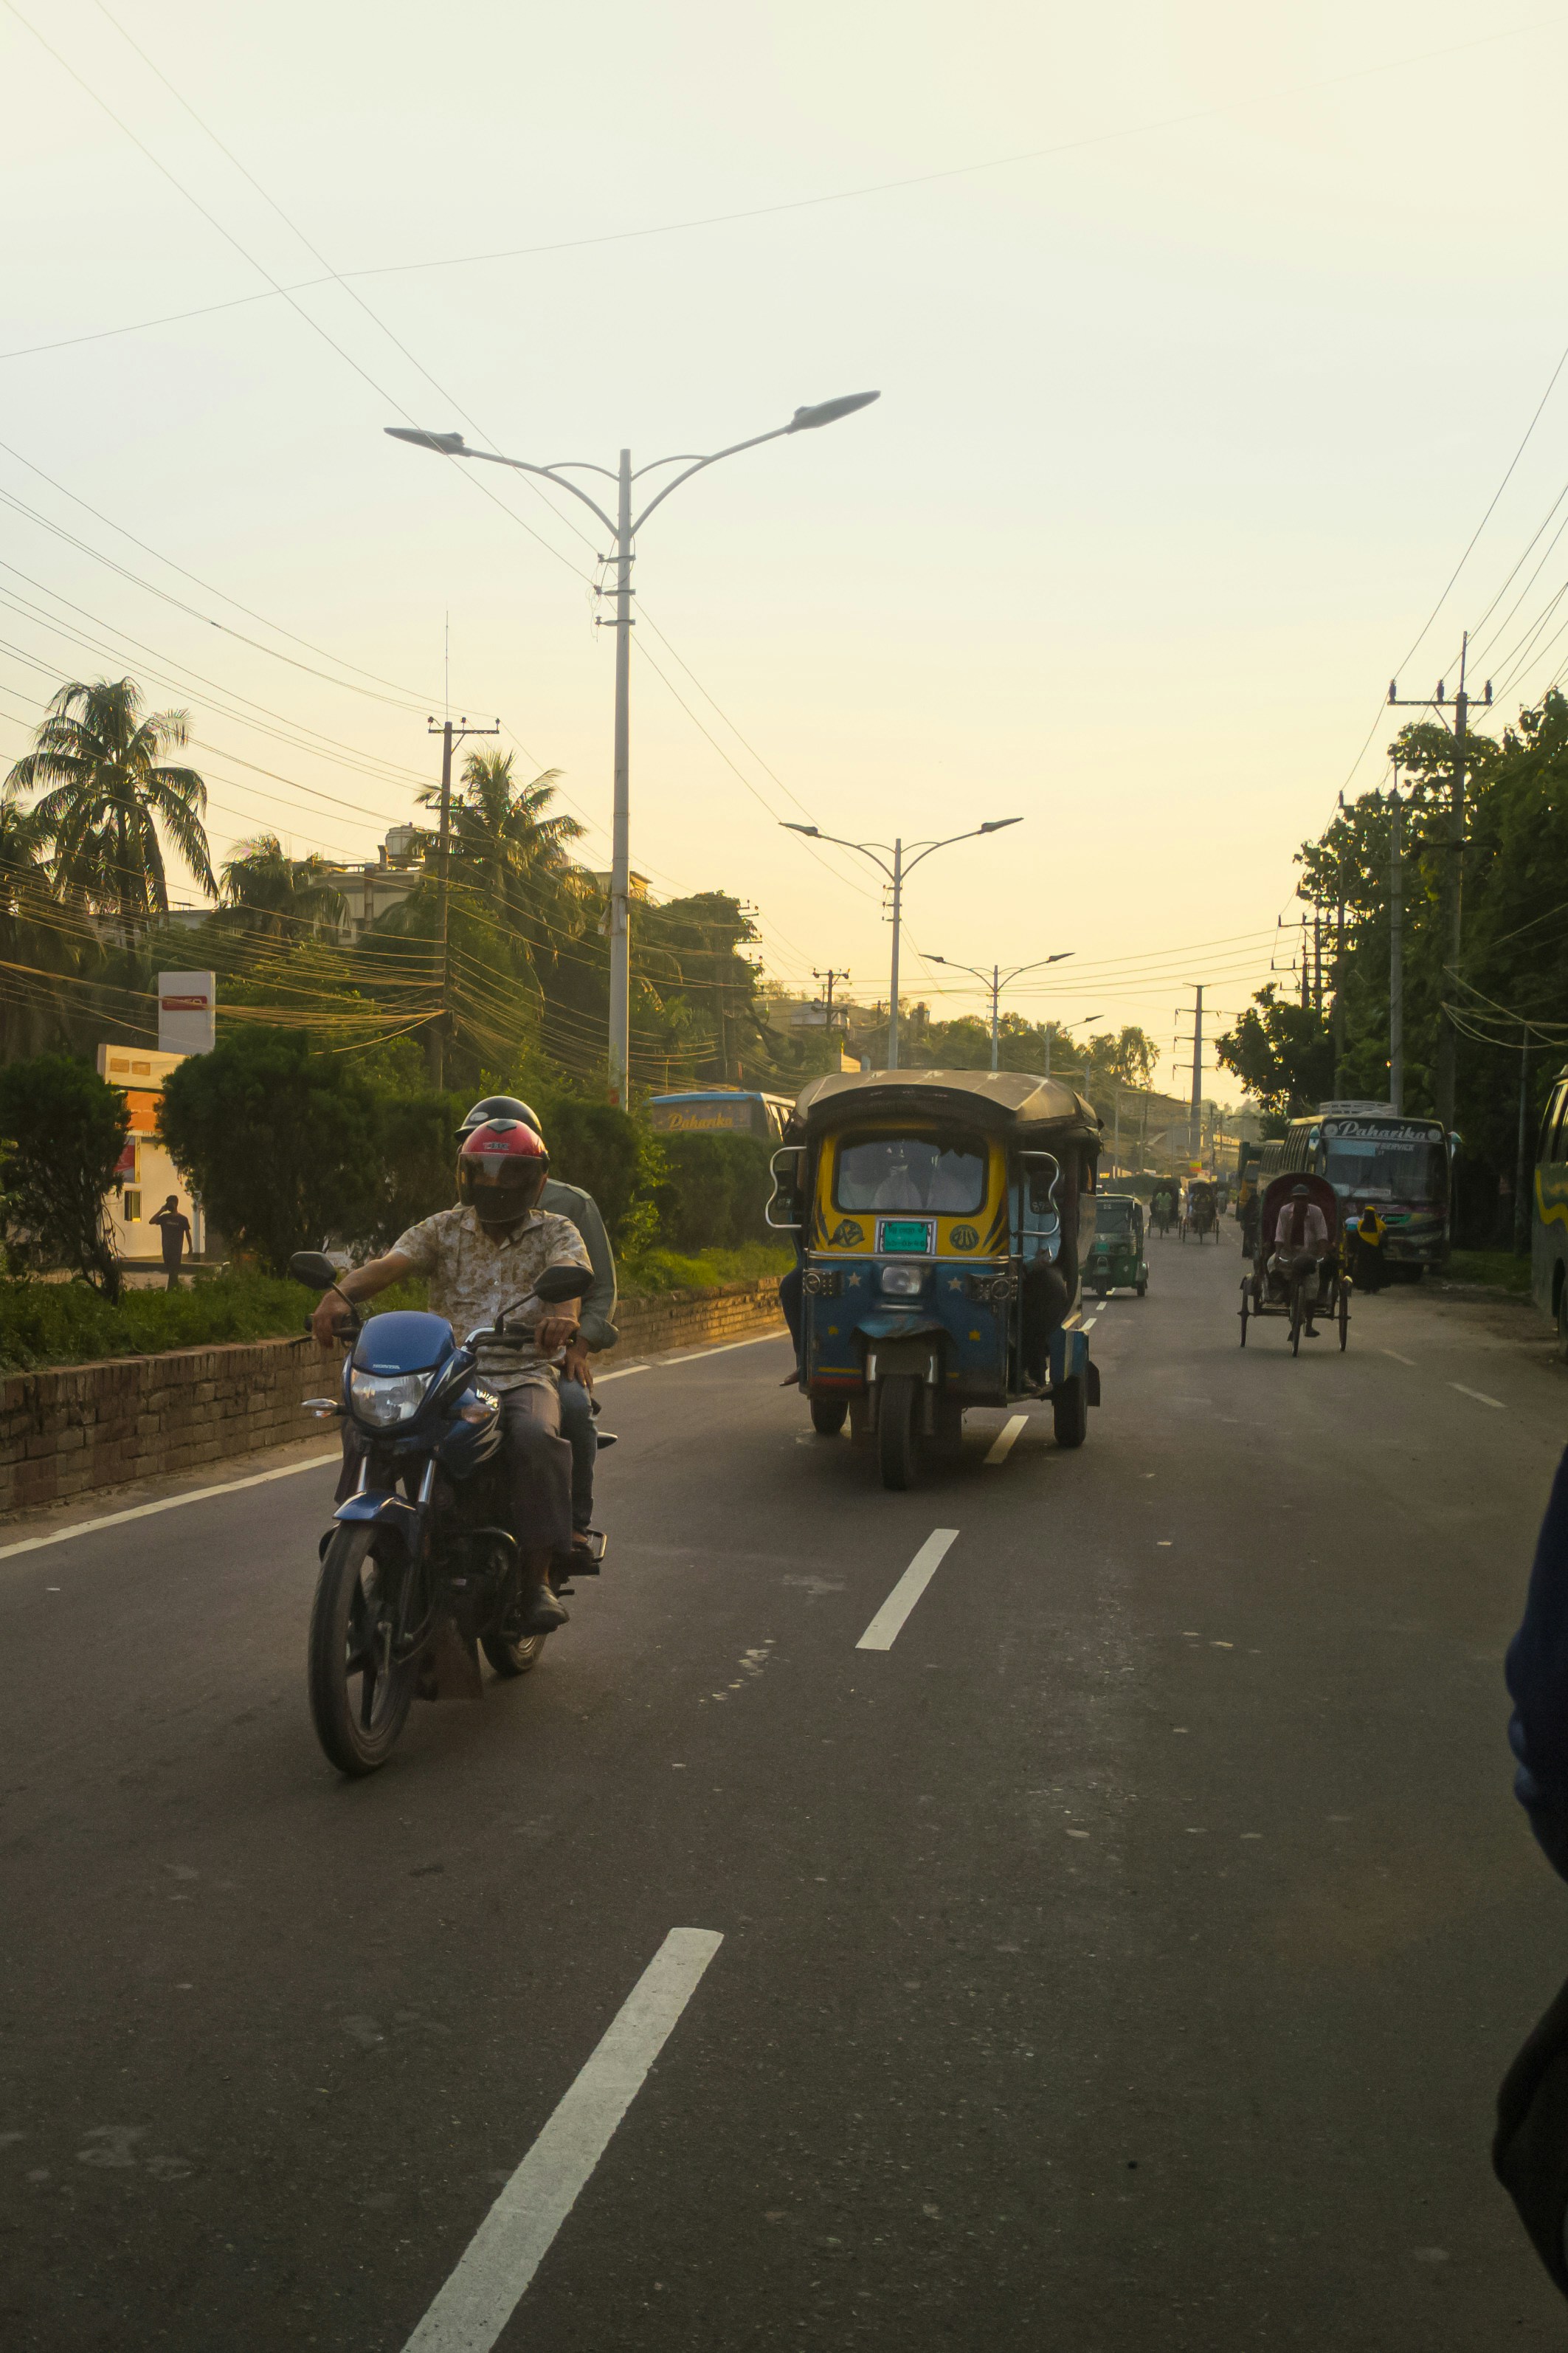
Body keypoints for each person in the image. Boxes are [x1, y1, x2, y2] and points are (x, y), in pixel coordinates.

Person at [309, 1118, 590, 1635]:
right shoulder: (442, 1227)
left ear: (533, 1181)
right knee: (364, 1422)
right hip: (446, 1373)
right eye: (484, 1172)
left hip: (520, 1371)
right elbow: (388, 1265)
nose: (496, 1184)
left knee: (534, 1436)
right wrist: (338, 1295)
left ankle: (536, 1581)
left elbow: (569, 1277)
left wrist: (564, 1317)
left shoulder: (556, 1230)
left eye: (510, 1174)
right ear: (466, 1175)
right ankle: (367, 1542)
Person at [455, 1097, 618, 1565]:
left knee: (571, 1409)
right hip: (471, 1364)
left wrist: (576, 1343)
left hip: (540, 1356)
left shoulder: (569, 1209)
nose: (491, 1169)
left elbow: (596, 1286)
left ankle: (572, 1527)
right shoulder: (461, 1212)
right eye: (479, 1157)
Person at [1269, 1181, 1329, 1336]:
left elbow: (1322, 1235)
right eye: (1297, 1199)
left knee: (1311, 1291)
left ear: (1308, 1200)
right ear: (1293, 1199)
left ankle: (1309, 1325)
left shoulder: (1316, 1212)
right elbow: (1280, 1234)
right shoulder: (1285, 1211)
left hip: (1309, 1254)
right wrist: (1277, 1254)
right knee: (1271, 1263)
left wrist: (1322, 1255)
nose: (1300, 1202)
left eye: (1303, 1199)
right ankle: (1282, 1289)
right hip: (1289, 1252)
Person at [148, 1194, 192, 1291]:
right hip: (166, 1250)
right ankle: (177, 1290)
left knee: (173, 1272)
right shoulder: (164, 1218)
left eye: (170, 1203)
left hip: (176, 1251)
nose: (169, 1205)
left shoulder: (183, 1219)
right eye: (167, 1203)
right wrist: (161, 1210)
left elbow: (188, 1234)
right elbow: (151, 1221)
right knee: (171, 1272)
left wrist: (191, 1248)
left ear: (175, 1204)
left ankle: (171, 1291)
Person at [1351, 1202, 1388, 1292]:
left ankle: (1366, 1288)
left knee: (1364, 1269)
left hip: (1364, 1251)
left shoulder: (1360, 1224)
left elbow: (1356, 1238)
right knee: (1375, 1269)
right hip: (1376, 1251)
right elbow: (1385, 1237)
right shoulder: (1381, 1224)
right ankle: (1374, 1287)